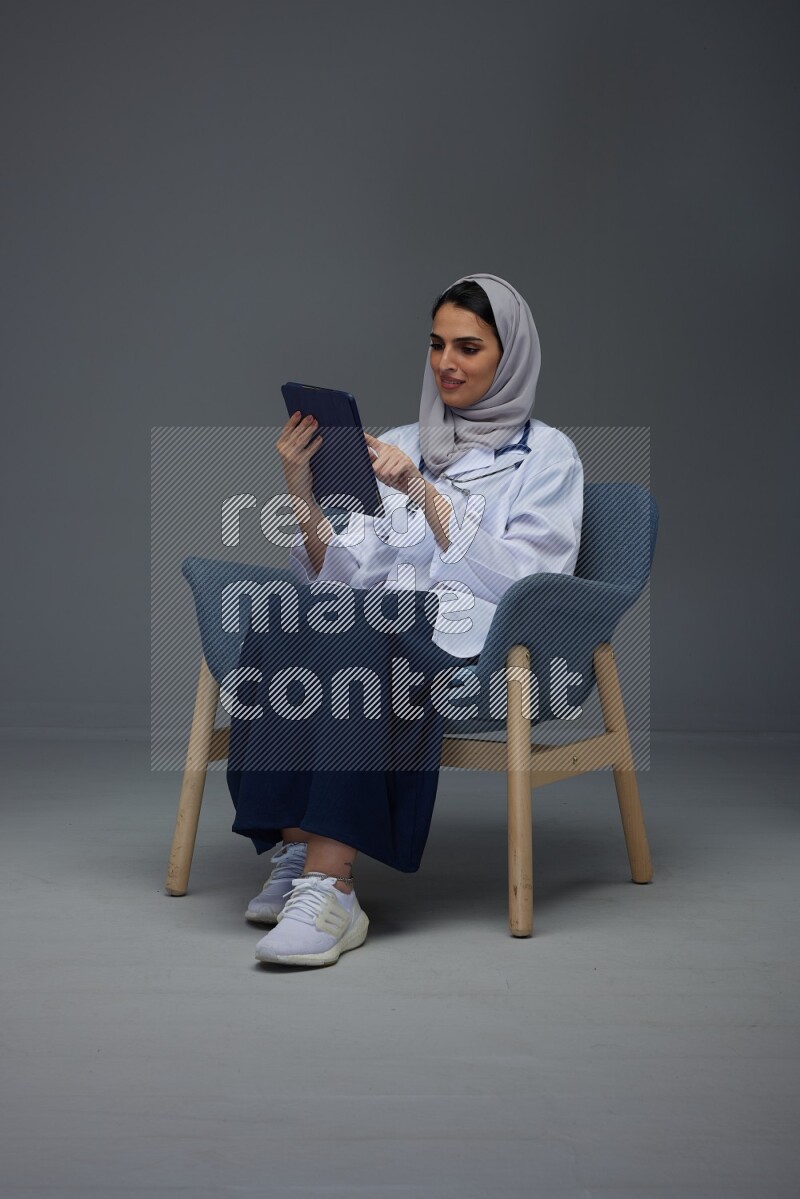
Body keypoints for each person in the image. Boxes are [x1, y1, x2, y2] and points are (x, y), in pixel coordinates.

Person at [225, 272, 584, 967]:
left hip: (477, 642)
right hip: (389, 617)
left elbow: (528, 578)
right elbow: (346, 570)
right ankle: (297, 849)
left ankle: (332, 885)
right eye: (437, 343)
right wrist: (302, 491)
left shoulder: (549, 458)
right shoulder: (399, 439)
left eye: (469, 347)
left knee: (366, 629)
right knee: (286, 611)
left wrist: (420, 490)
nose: (447, 362)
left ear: (509, 358)